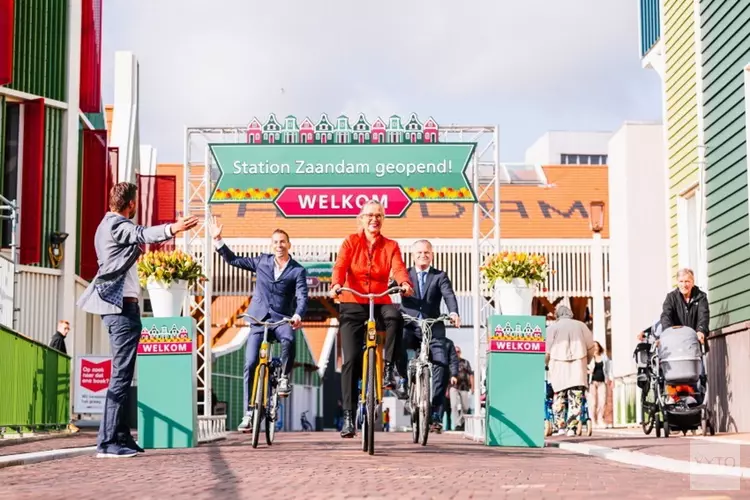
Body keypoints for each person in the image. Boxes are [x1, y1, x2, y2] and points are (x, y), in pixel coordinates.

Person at [77, 182, 198, 458]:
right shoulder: (116, 226)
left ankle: (121, 436)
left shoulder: (107, 226)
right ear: (130, 204)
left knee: (124, 374)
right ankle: (107, 442)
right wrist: (173, 228)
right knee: (120, 375)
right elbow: (142, 233)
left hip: (123, 309)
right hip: (120, 310)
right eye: (136, 203)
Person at [208, 216, 308, 433]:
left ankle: (283, 378)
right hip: (258, 319)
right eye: (275, 242)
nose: (279, 245)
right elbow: (234, 260)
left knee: (289, 339)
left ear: (289, 244)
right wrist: (218, 240)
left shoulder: (298, 270)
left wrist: (298, 314)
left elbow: (302, 296)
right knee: (250, 362)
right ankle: (249, 413)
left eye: (282, 241)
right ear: (270, 245)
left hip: (281, 318)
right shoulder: (261, 261)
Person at [330, 199, 414, 438]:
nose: (374, 219)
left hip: (379, 301)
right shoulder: (350, 241)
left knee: (395, 317)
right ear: (361, 218)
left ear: (383, 219)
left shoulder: (391, 245)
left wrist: (404, 283)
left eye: (378, 215)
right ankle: (348, 417)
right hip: (352, 302)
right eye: (369, 215)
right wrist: (336, 284)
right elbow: (341, 266)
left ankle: (388, 369)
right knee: (351, 360)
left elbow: (398, 268)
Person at [398, 239, 460, 430]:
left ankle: (434, 412)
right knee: (398, 344)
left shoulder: (440, 276)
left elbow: (449, 295)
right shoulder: (405, 274)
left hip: (433, 326)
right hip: (410, 324)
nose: (423, 255)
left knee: (441, 364)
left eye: (426, 252)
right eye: (419, 253)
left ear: (432, 255)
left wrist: (454, 312)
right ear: (413, 255)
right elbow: (391, 285)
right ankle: (402, 380)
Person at [545, 304, 596, 436]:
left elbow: (546, 350)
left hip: (558, 366)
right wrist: (587, 360)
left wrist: (545, 363)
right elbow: (591, 346)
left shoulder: (552, 328)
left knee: (559, 397)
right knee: (575, 398)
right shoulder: (581, 326)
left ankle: (560, 426)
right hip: (578, 366)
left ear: (558, 315)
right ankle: (571, 428)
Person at [659, 268, 709, 344]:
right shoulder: (671, 298)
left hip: (695, 342)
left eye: (687, 281)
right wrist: (668, 331)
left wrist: (700, 331)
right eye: (681, 281)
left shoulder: (701, 297)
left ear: (693, 282)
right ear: (677, 283)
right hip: (676, 342)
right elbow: (666, 315)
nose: (684, 285)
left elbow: (703, 316)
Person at [587, 341, 612, 429]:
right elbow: (583, 367)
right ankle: (593, 421)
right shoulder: (589, 358)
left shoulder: (604, 357)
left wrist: (610, 378)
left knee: (602, 402)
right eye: (593, 346)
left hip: (602, 382)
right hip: (592, 382)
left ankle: (600, 419)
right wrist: (588, 371)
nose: (595, 348)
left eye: (596, 346)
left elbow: (609, 369)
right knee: (593, 402)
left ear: (599, 347)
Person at [450, 344, 473, 431]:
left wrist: (473, 387)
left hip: (464, 386)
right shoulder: (450, 363)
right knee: (454, 405)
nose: (457, 353)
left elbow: (471, 374)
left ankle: (461, 423)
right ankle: (457, 424)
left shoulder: (465, 362)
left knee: (465, 407)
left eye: (458, 352)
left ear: (460, 353)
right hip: (454, 387)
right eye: (455, 352)